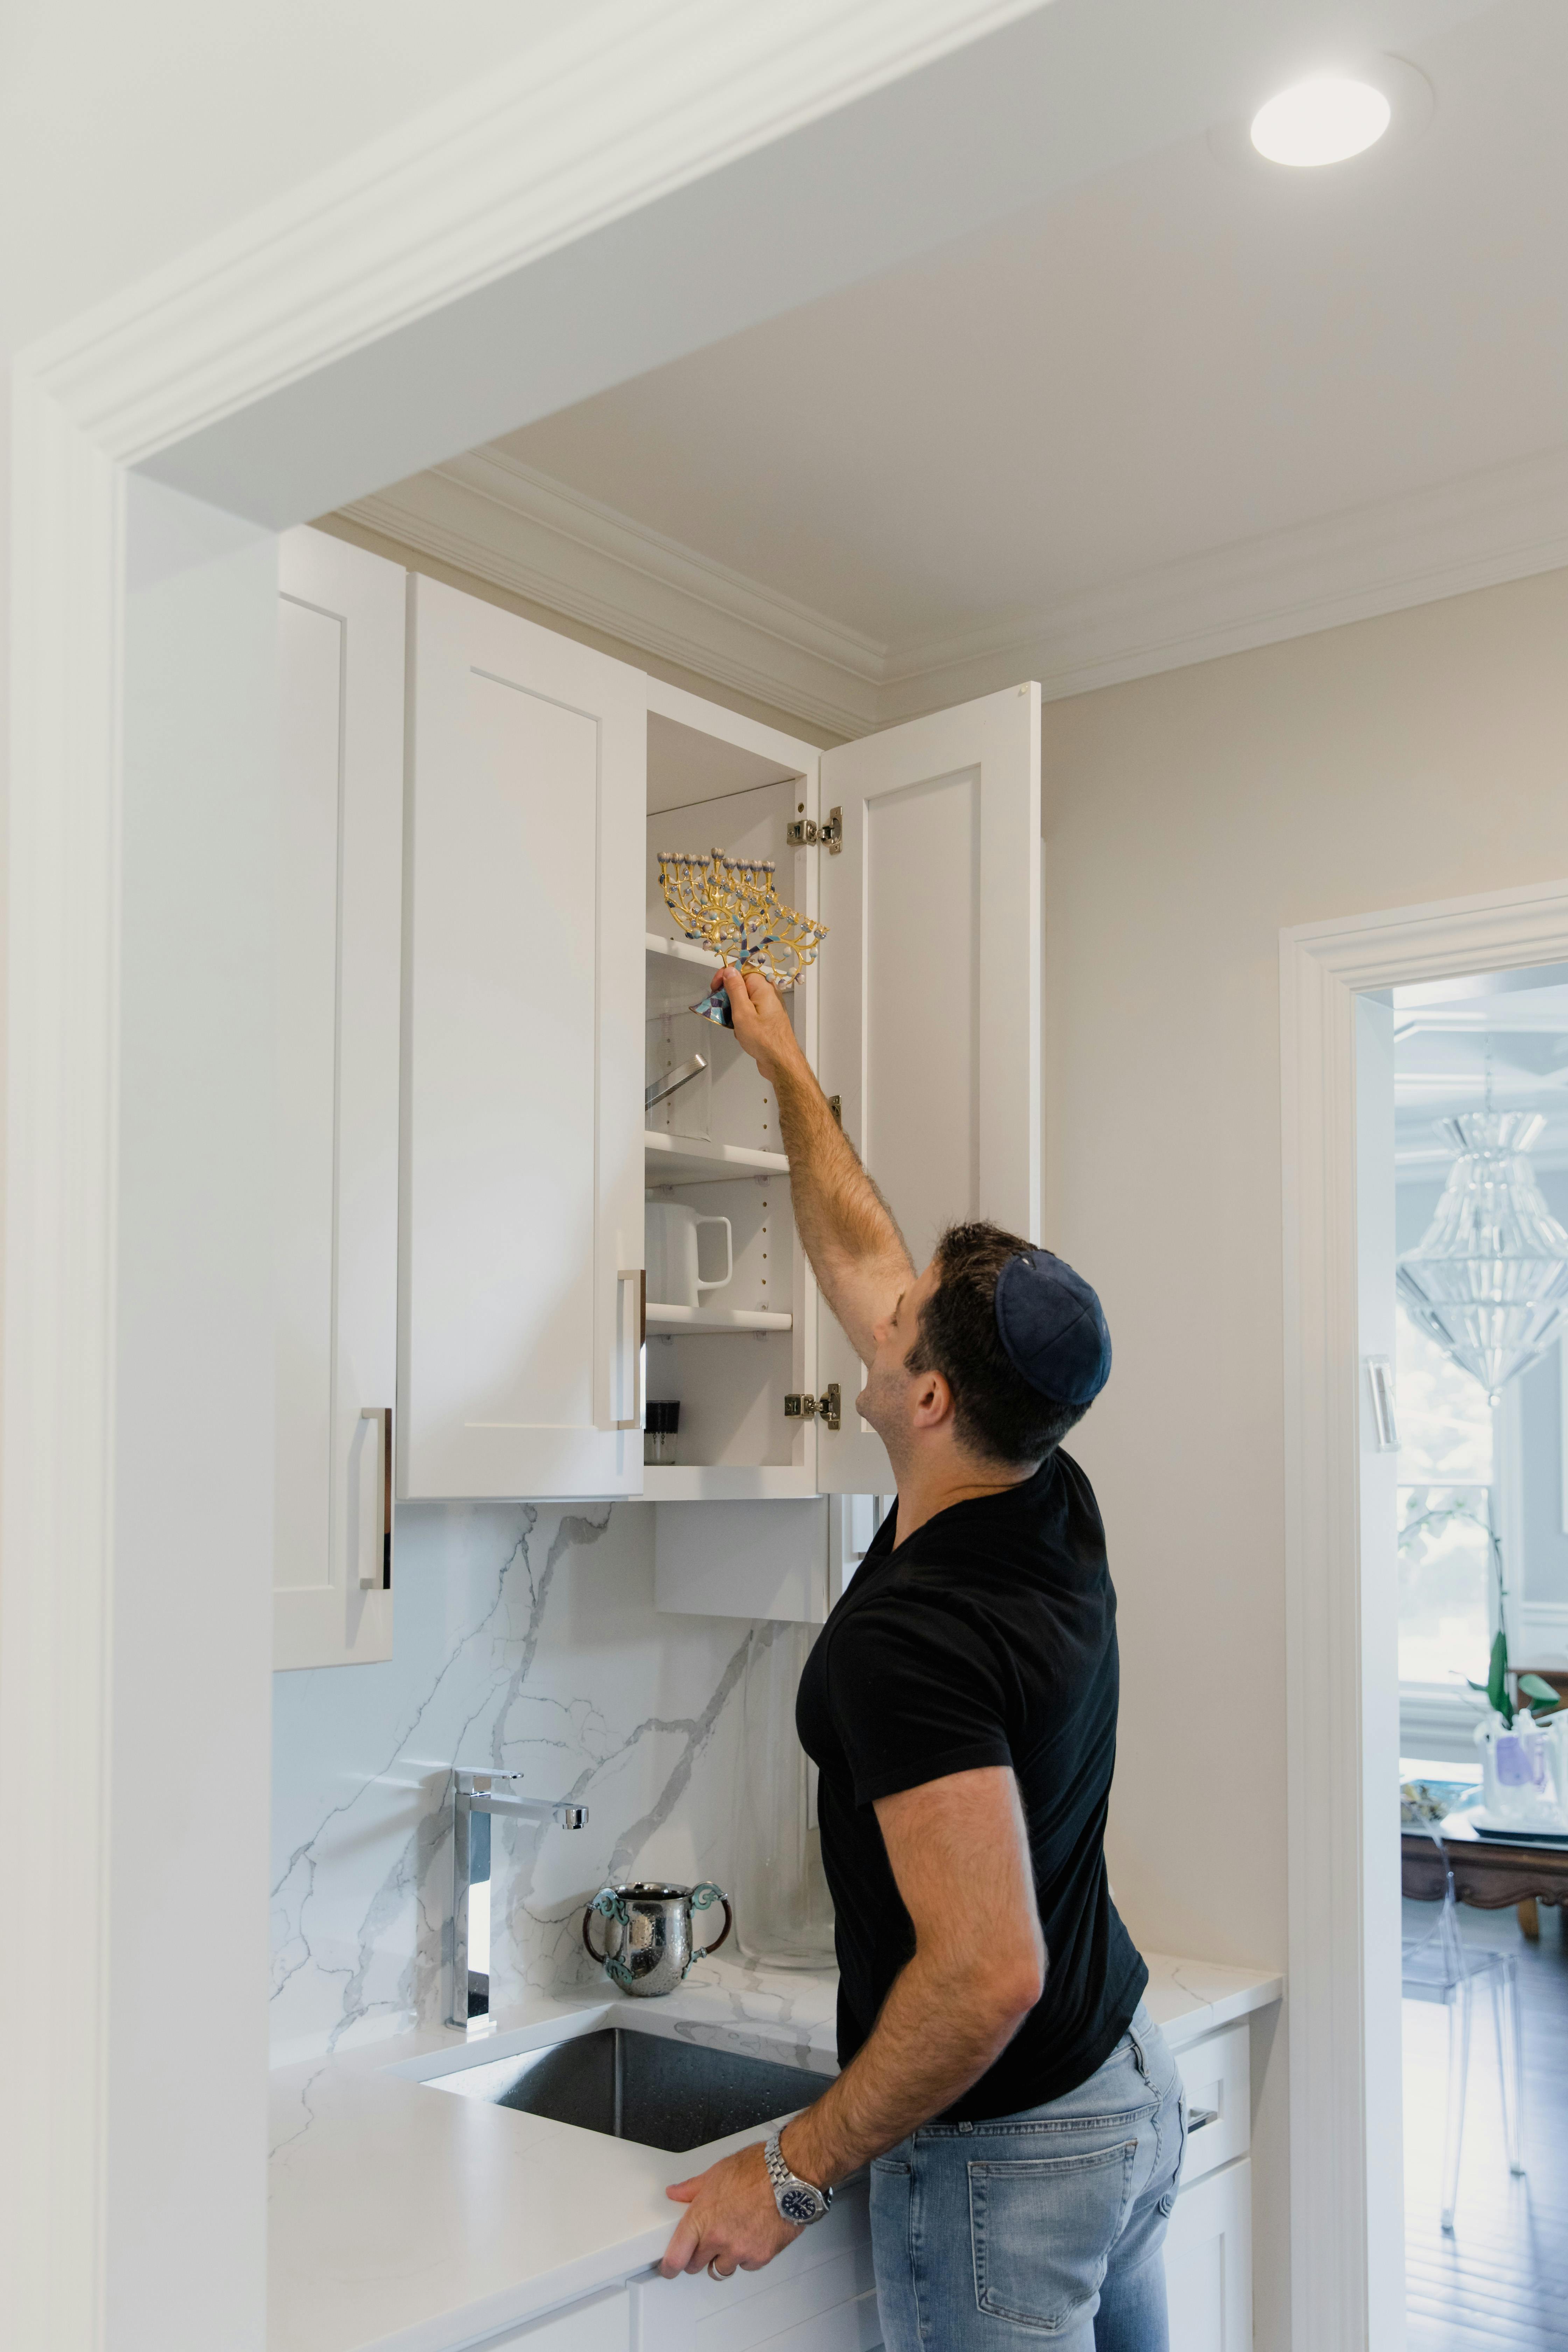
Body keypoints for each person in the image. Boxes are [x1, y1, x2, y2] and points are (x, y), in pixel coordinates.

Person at [657, 967, 1184, 2350]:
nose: (880, 1318)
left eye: (903, 1327)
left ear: (930, 1397)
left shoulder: (907, 1643)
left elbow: (984, 1972)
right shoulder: (1044, 1489)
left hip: (1011, 2158)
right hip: (1123, 2085)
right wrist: (782, 1065)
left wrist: (785, 2172)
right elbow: (862, 1255)